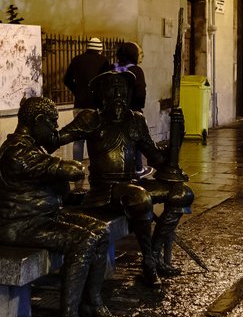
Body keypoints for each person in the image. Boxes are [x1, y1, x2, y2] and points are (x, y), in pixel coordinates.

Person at [0, 96, 119, 317]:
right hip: (18, 226)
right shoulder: (17, 153)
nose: (55, 130)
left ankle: (92, 302)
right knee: (82, 240)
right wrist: (63, 164)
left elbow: (56, 186)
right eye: (52, 123)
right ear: (37, 121)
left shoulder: (32, 149)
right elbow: (72, 170)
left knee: (100, 231)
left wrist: (70, 198)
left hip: (42, 218)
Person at [62, 70, 193, 286]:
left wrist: (179, 134)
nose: (118, 93)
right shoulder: (91, 119)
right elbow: (57, 138)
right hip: (106, 191)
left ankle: (155, 255)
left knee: (182, 193)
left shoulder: (136, 120)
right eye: (112, 88)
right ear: (102, 93)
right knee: (140, 198)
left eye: (122, 88)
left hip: (132, 185)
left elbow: (158, 160)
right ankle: (149, 263)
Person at [61, 36, 111, 168]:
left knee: (79, 138)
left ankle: (77, 166)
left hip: (80, 105)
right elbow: (107, 82)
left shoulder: (77, 60)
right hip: (97, 106)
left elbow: (66, 79)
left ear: (87, 48)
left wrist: (77, 91)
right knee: (95, 138)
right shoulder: (104, 62)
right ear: (100, 50)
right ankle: (96, 166)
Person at [113, 40, 146, 112]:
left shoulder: (111, 68)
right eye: (139, 53)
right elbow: (140, 94)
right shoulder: (137, 71)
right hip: (130, 112)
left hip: (111, 112)